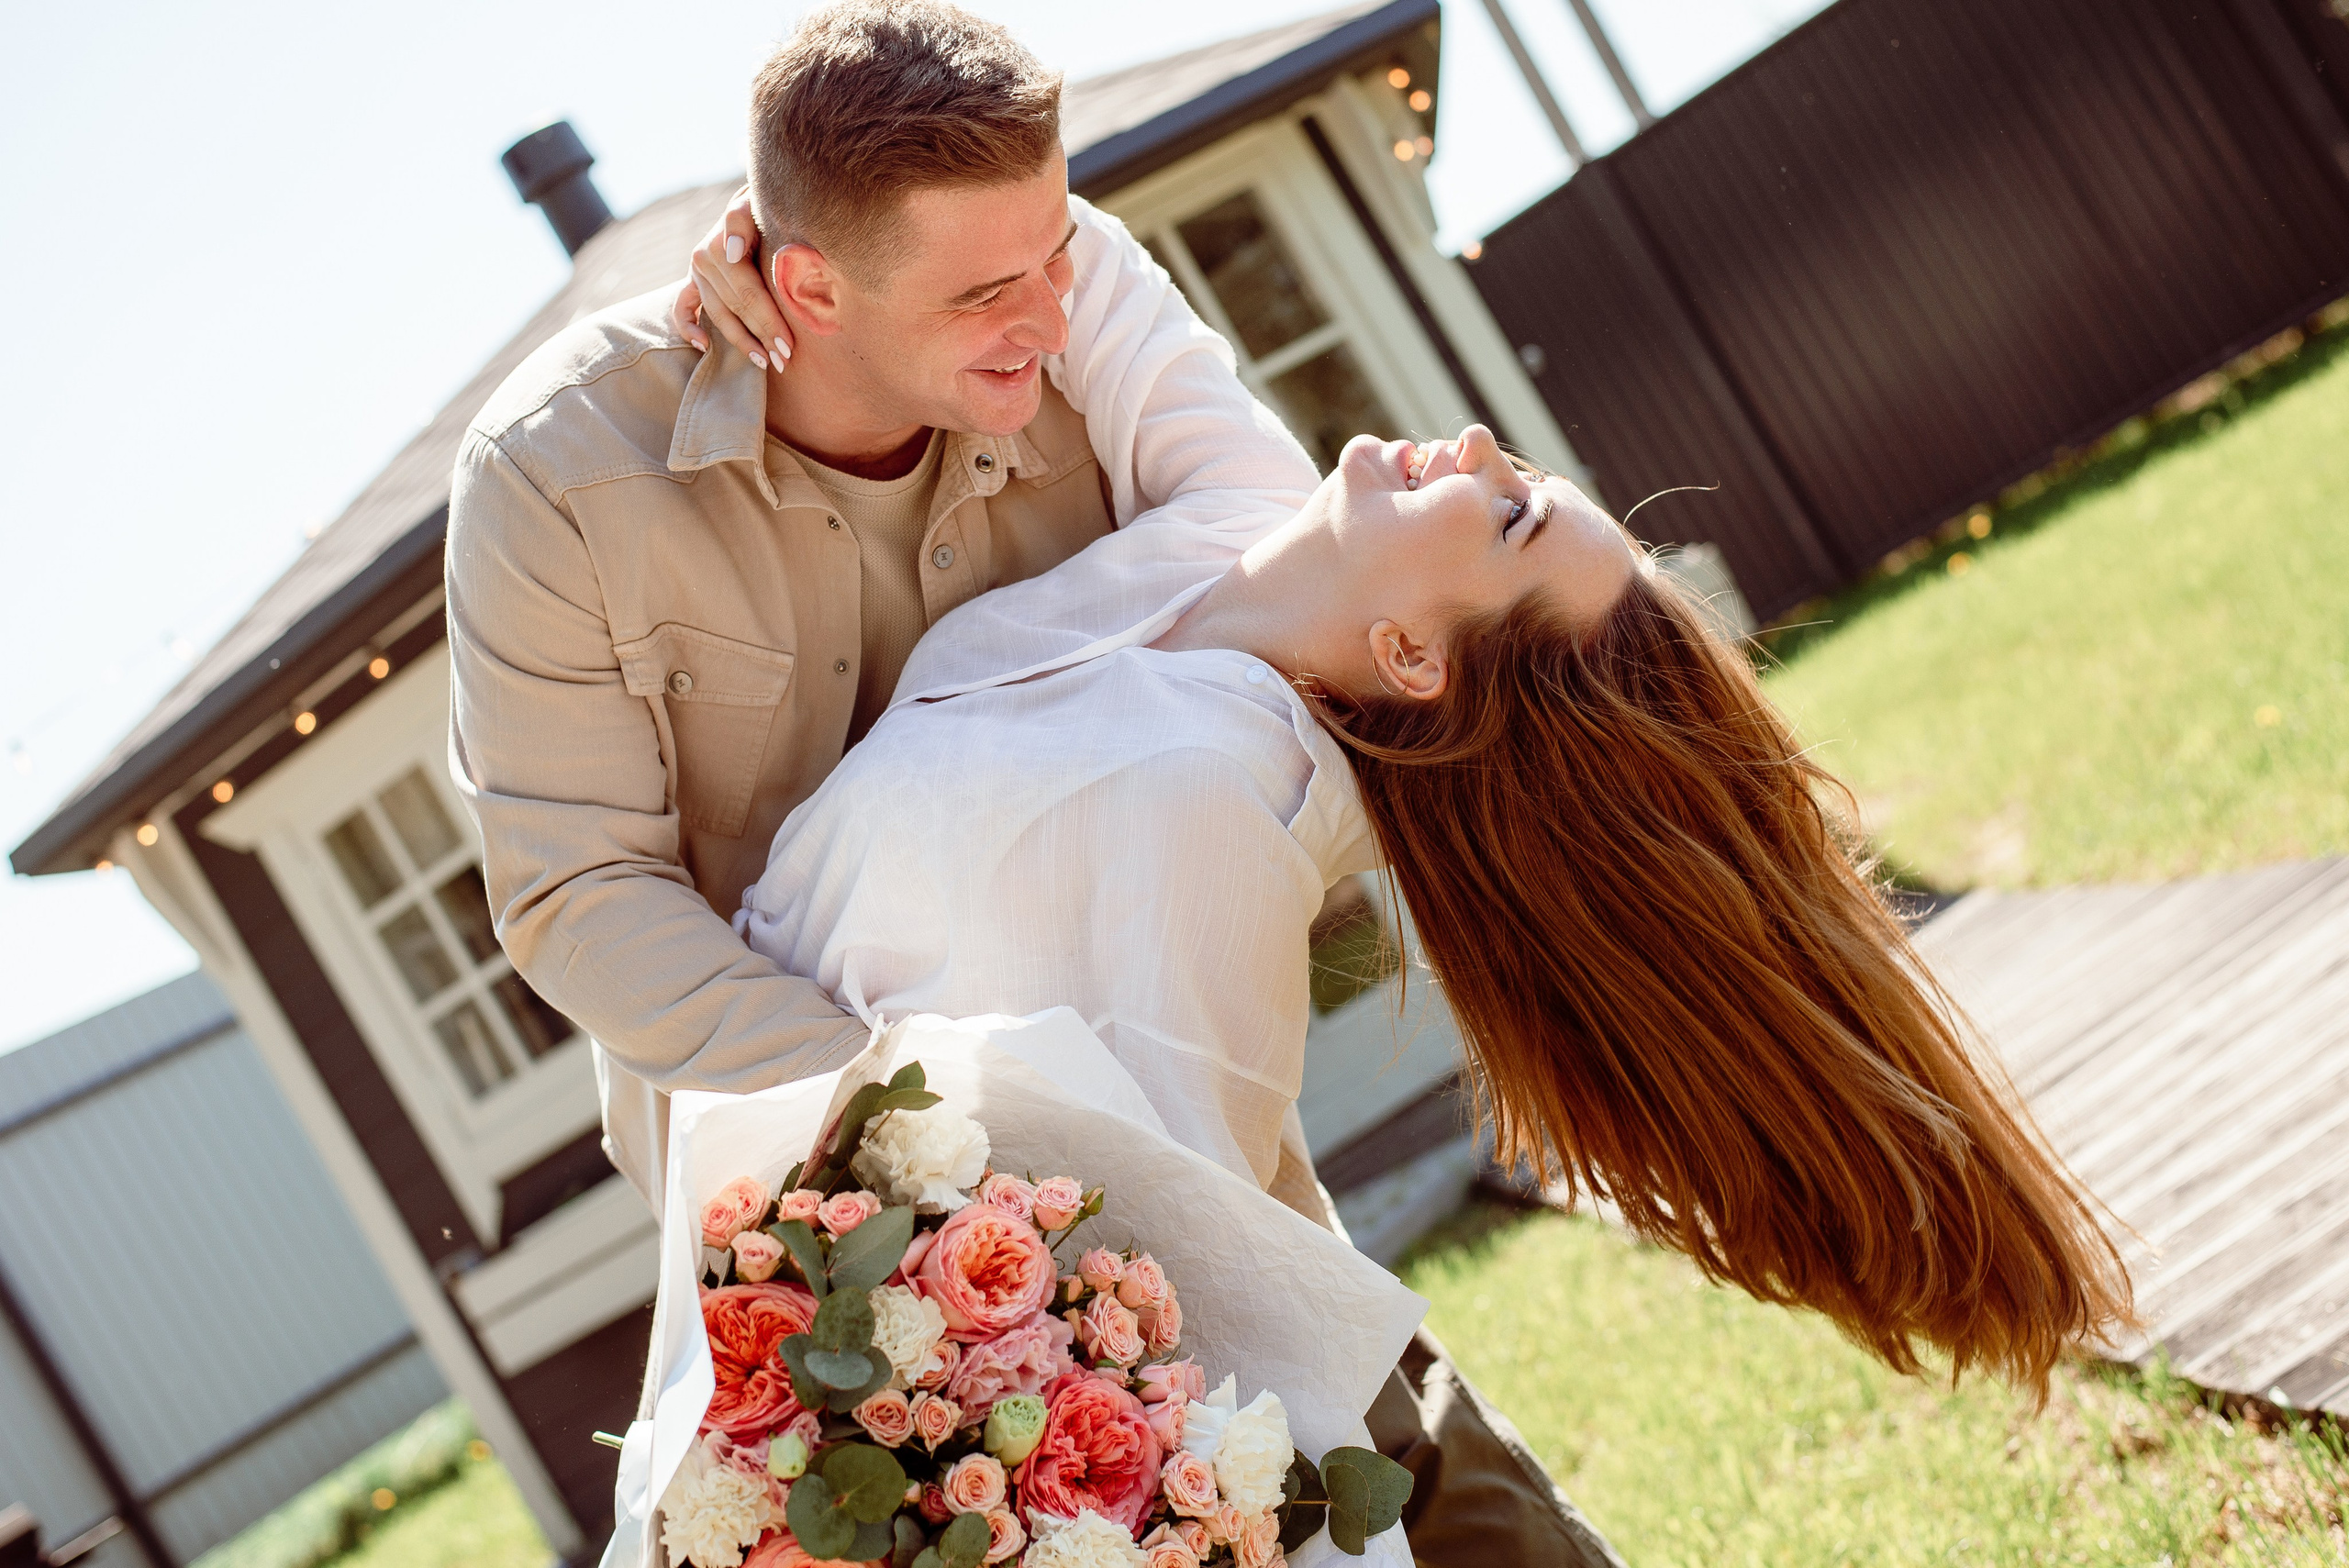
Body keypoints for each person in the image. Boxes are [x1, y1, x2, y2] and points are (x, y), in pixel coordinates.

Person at [449, 3, 1620, 1561]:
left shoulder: (1065, 294)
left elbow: (1274, 537)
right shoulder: (556, 481)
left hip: (1152, 1060)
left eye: (1058, 248)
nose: (1043, 310)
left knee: (1406, 1470)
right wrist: (931, 1141)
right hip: (827, 1202)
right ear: (804, 286)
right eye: (989, 288)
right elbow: (575, 897)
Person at [737, 407, 2137, 1414]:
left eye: (1511, 510)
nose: (1472, 445)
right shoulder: (1244, 525)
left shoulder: (1205, 812)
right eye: (1525, 476)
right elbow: (1084, 264)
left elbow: (1176, 1269)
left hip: (1126, 1416)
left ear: (1410, 652)